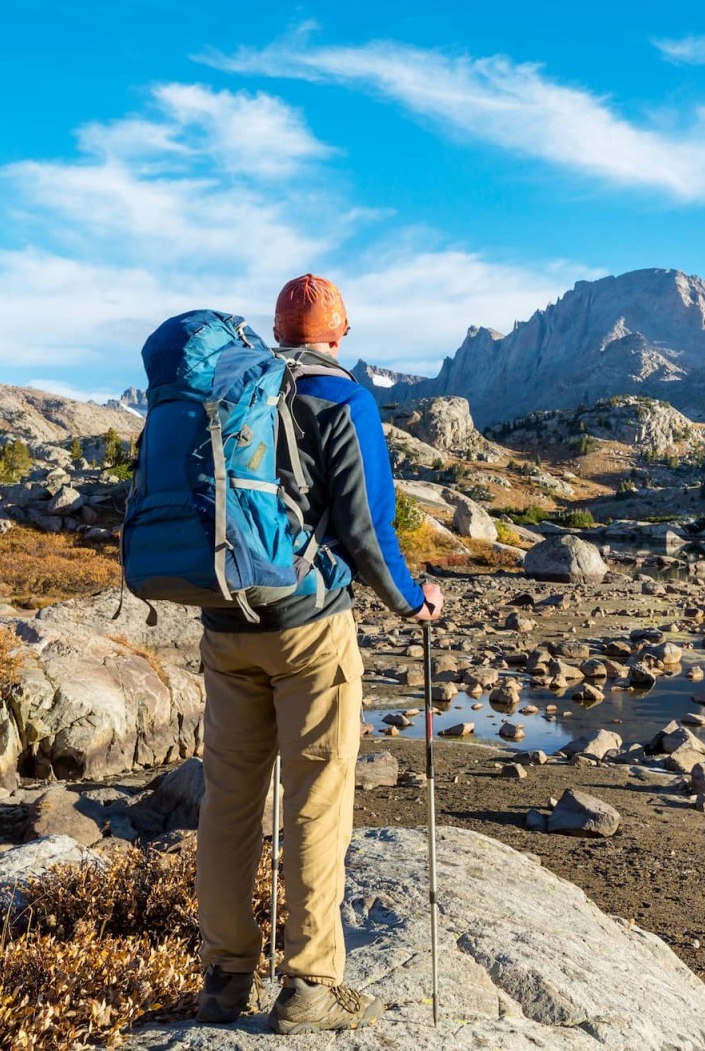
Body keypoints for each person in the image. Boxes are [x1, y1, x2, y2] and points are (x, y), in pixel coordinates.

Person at [193, 273, 444, 1032]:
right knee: (316, 799)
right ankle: (308, 987)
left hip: (226, 622)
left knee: (229, 801)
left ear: (278, 329)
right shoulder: (344, 398)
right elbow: (368, 529)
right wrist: (412, 599)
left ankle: (225, 980)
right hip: (310, 630)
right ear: (340, 332)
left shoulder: (235, 386)